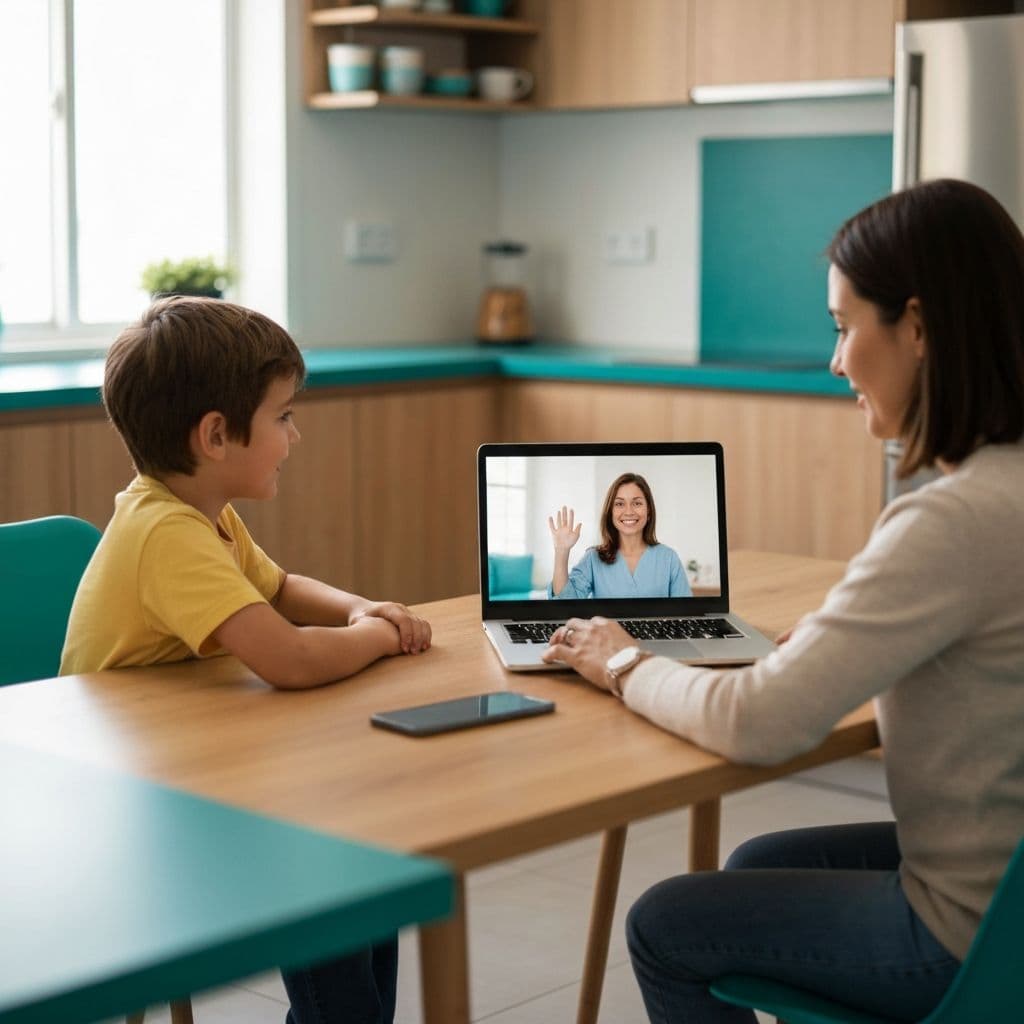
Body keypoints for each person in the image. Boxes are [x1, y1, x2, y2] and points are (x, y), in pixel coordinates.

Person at [541, 179, 1024, 1023]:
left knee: (666, 923)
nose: (836, 361)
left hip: (969, 932)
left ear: (916, 328)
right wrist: (854, 649)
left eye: (844, 328)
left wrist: (621, 661)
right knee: (757, 860)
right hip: (1005, 875)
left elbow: (760, 723)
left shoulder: (952, 518)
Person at [61, 296, 432, 1024]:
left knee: (366, 860)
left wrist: (363, 608)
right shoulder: (166, 532)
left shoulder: (200, 513)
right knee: (336, 862)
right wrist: (381, 638)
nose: (296, 435)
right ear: (216, 436)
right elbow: (288, 658)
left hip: (191, 771)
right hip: (128, 811)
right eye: (284, 416)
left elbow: (283, 589)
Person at [547, 472, 691, 599]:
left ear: (649, 512)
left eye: (637, 503)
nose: (629, 511)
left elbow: (686, 614)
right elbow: (565, 602)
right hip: (605, 632)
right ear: (610, 514)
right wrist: (561, 551)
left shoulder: (668, 558)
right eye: (620, 504)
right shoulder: (593, 559)